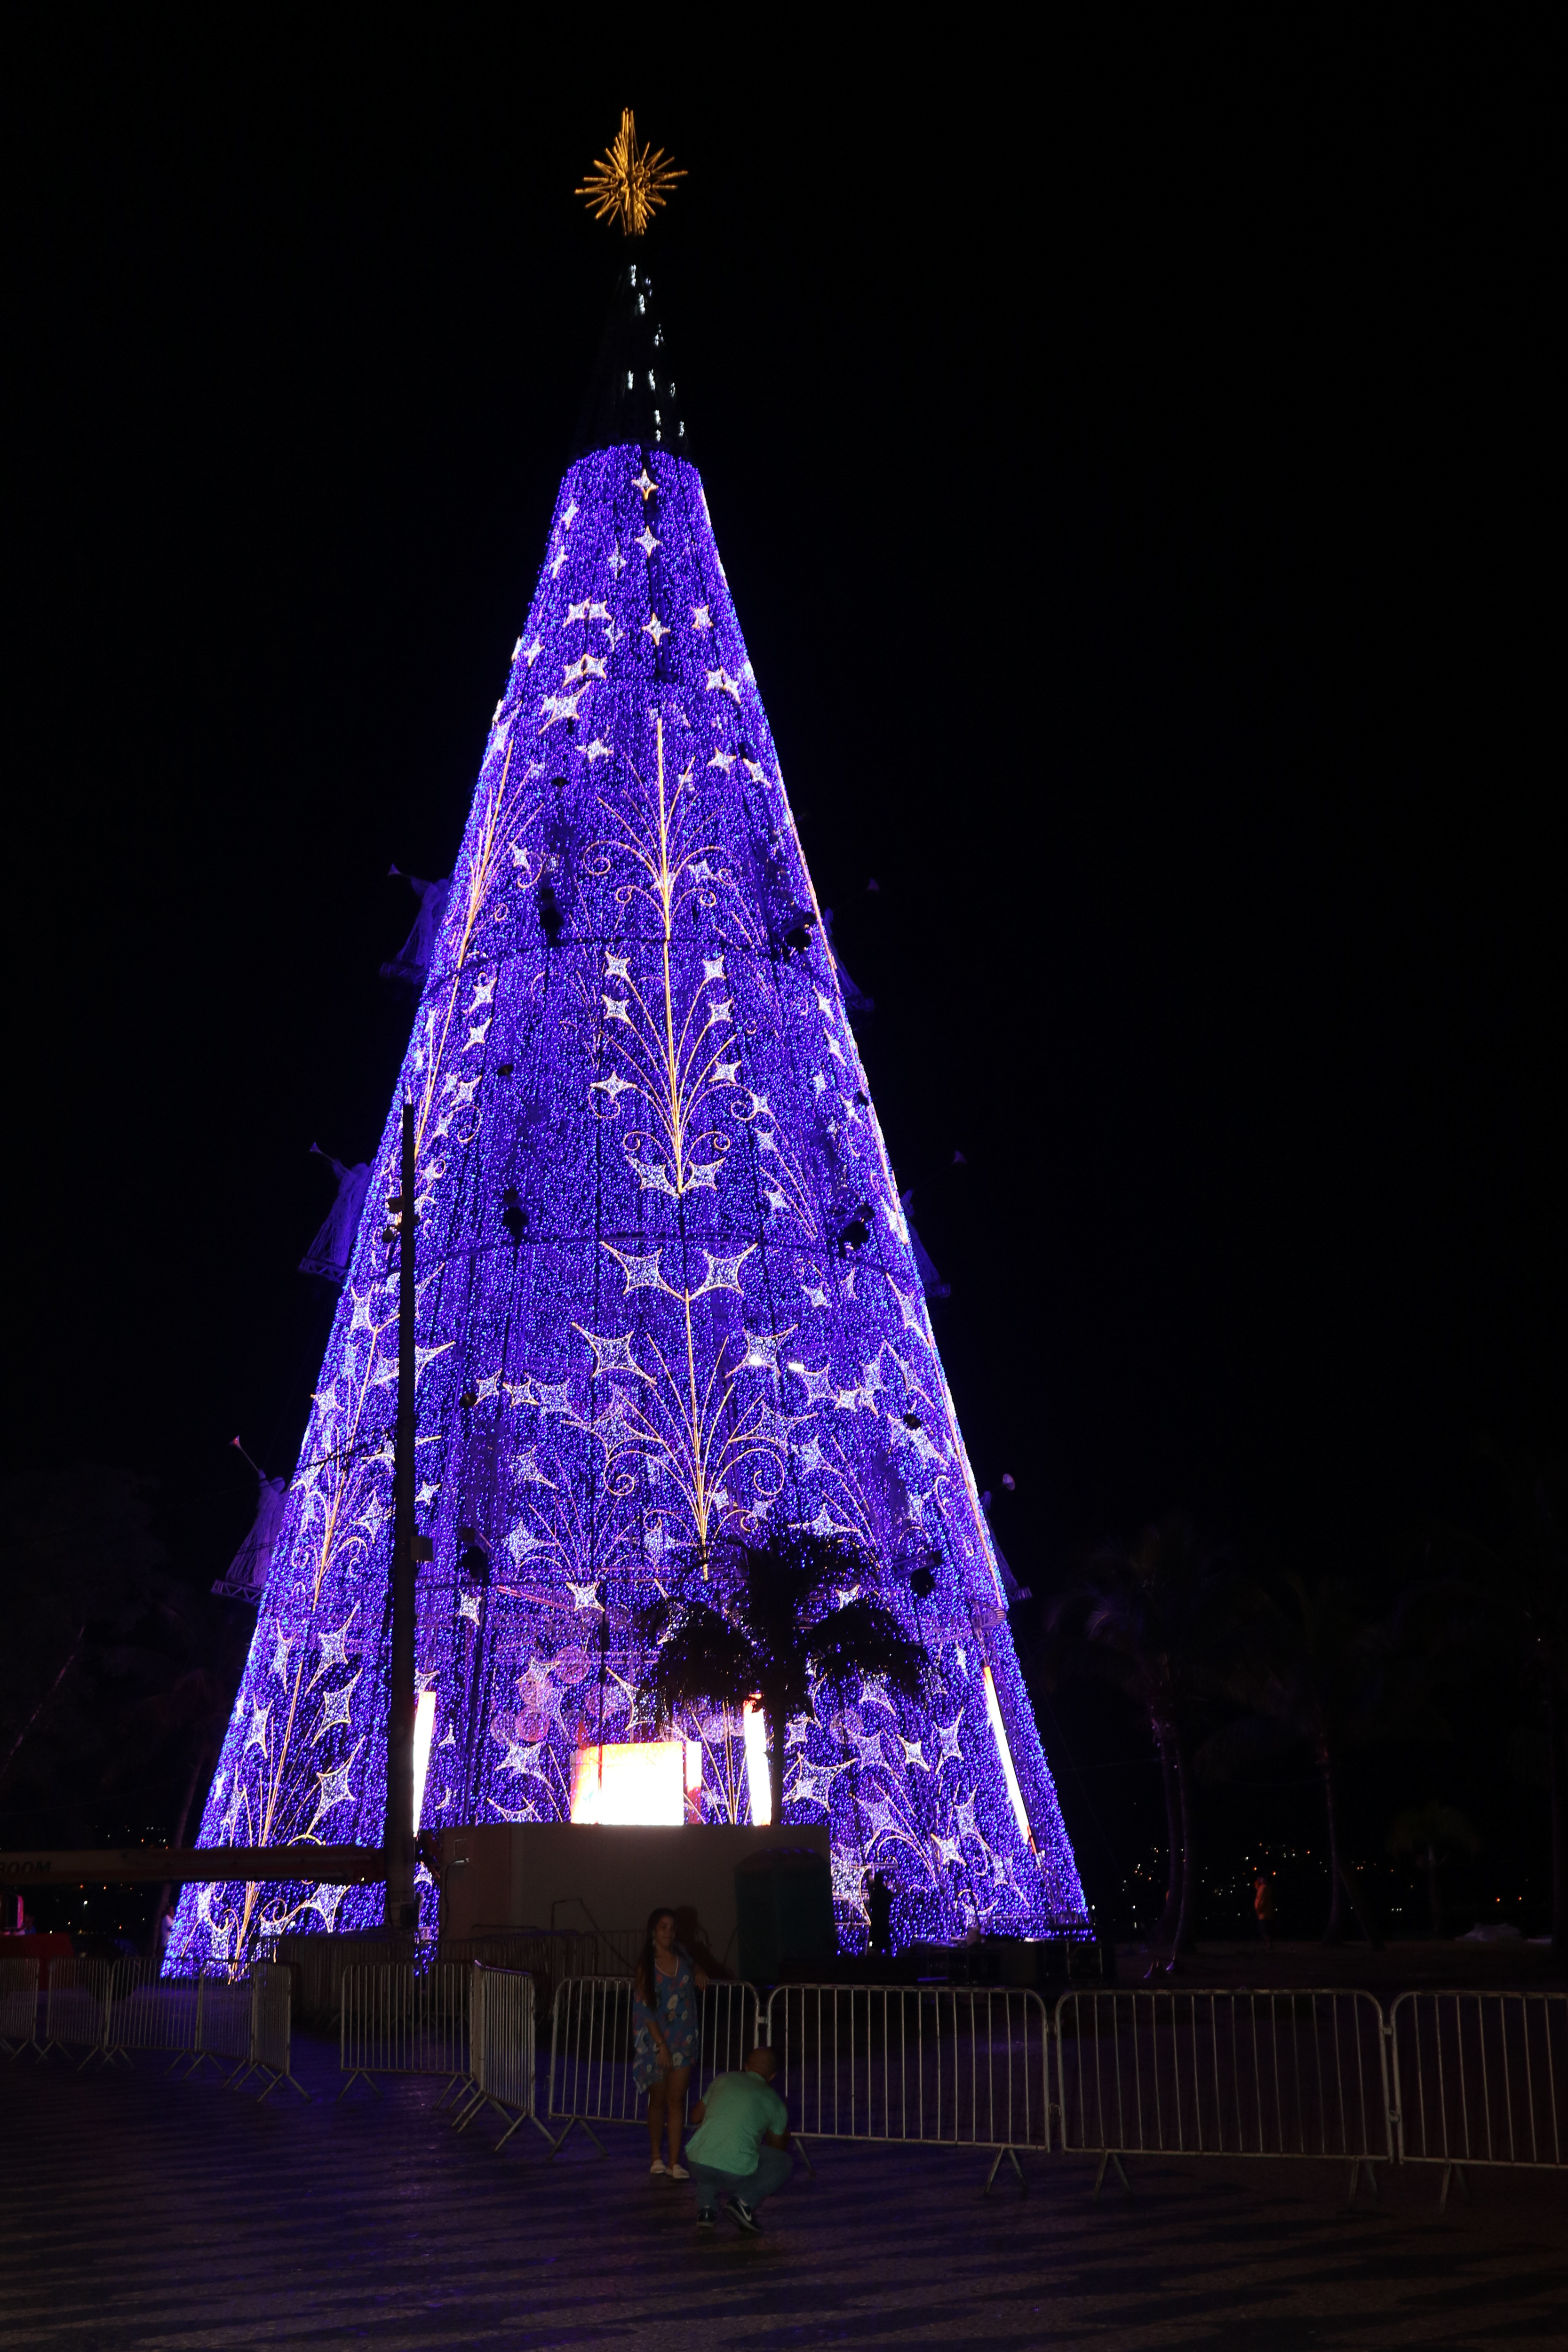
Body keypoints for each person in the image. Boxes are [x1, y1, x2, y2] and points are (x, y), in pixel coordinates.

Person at [685, 2044, 792, 2236]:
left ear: (746, 2066)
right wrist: (783, 2136)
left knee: (713, 2145)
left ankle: (707, 2210)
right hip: (734, 2171)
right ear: (773, 2076)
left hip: (696, 2162)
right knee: (783, 2163)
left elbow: (694, 2117)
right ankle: (743, 2201)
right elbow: (777, 2150)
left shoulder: (723, 2079)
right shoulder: (775, 2102)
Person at [633, 1905, 707, 2178]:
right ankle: (656, 2156)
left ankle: (675, 2162)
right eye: (663, 1927)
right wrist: (660, 2044)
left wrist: (698, 1970)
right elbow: (645, 2008)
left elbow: (694, 1964)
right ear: (653, 1930)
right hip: (656, 2040)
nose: (669, 1932)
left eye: (672, 1928)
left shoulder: (682, 1955)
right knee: (659, 2099)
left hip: (683, 2037)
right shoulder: (647, 1965)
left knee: (677, 2100)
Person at [1253, 1872, 1275, 1949]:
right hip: (1266, 1913)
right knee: (1265, 1930)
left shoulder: (1264, 1888)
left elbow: (1261, 1902)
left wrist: (1258, 1911)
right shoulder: (1265, 1888)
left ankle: (1269, 1945)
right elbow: (1258, 1887)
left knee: (1264, 1931)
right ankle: (1269, 1945)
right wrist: (1257, 1882)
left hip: (1263, 1914)